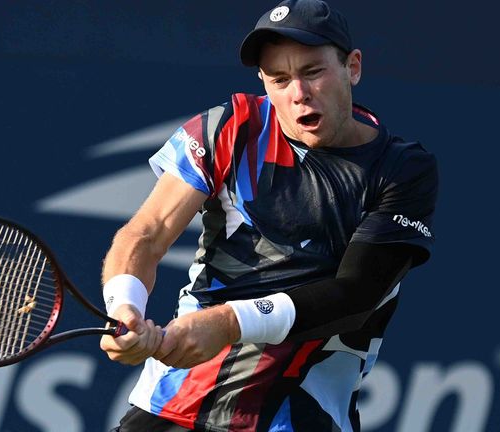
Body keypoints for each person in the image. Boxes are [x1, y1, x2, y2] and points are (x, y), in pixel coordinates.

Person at [100, 0, 438, 430]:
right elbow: (146, 234)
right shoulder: (229, 128)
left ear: (352, 67)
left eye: (313, 72)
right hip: (176, 402)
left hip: (300, 412)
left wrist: (226, 322)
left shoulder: (401, 169)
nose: (298, 94)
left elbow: (356, 297)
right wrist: (125, 306)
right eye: (279, 79)